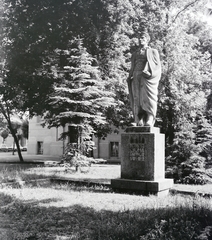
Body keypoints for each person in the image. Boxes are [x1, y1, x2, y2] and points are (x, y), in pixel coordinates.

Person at [127, 31, 161, 126]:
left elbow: (158, 67)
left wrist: (150, 73)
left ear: (147, 40)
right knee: (136, 98)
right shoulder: (135, 54)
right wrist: (130, 77)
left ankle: (149, 118)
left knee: (148, 98)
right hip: (136, 76)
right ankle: (138, 119)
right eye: (139, 38)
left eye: (143, 38)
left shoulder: (153, 51)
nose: (140, 40)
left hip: (146, 78)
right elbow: (132, 66)